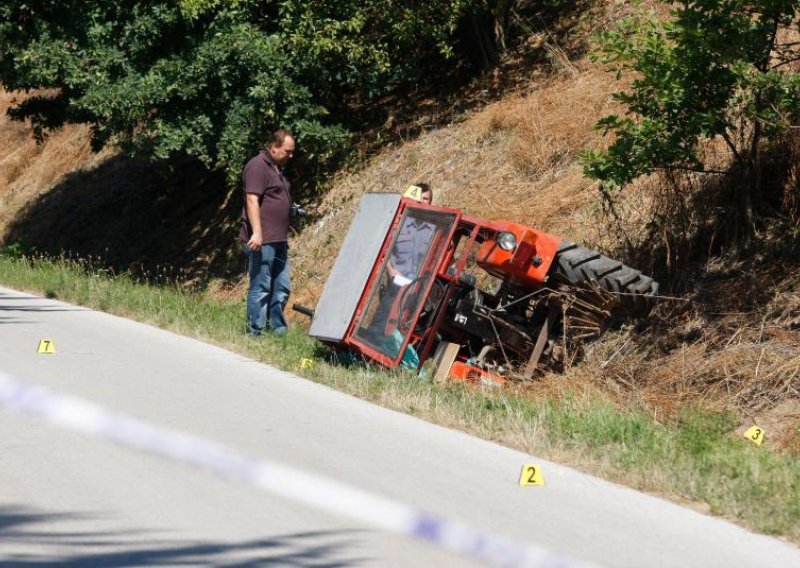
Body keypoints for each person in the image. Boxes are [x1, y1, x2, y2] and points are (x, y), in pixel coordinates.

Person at [239, 129, 296, 336]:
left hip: (279, 239)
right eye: (287, 151)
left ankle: (278, 331)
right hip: (263, 241)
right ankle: (255, 333)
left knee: (281, 287)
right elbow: (252, 199)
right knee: (261, 286)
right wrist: (257, 233)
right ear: (273, 148)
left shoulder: (275, 168)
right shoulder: (257, 166)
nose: (291, 155)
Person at [367, 183, 435, 346]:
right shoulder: (400, 224)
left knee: (406, 328)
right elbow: (384, 251)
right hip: (395, 284)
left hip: (417, 288)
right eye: (418, 198)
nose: (421, 202)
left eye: (425, 199)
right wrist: (390, 271)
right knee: (381, 321)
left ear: (430, 203)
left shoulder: (434, 229)